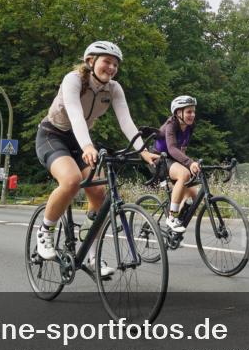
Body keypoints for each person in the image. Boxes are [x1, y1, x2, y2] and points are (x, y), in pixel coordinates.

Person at [34, 41, 159, 276]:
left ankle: (91, 256)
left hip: (80, 140)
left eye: (115, 64)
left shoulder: (114, 89)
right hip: (53, 135)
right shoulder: (74, 80)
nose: (111, 68)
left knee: (101, 195)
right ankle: (45, 231)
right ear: (91, 61)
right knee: (71, 181)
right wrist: (88, 146)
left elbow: (126, 122)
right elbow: (74, 113)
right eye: (106, 62)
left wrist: (143, 151)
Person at [155, 95, 200, 234]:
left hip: (173, 159)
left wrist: (191, 164)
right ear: (177, 112)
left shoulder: (189, 126)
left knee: (194, 193)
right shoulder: (171, 125)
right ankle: (171, 217)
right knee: (184, 174)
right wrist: (189, 163)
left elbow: (182, 148)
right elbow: (172, 148)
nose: (192, 115)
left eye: (193, 111)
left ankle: (172, 231)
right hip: (159, 159)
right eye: (188, 112)